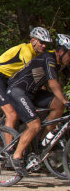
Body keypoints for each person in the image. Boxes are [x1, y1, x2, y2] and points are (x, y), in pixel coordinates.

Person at [5, 34, 70, 176]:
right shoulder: (49, 58)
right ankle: (16, 156)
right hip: (18, 91)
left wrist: (63, 102)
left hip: (32, 93)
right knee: (35, 124)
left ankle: (43, 141)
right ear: (61, 51)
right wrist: (66, 100)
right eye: (69, 54)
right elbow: (52, 83)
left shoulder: (62, 63)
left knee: (59, 105)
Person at [0, 27, 52, 142]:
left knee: (18, 112)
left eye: (46, 43)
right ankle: (9, 152)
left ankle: (5, 133)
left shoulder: (37, 55)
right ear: (33, 41)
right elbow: (33, 74)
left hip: (9, 81)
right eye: (41, 42)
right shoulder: (26, 50)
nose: (44, 45)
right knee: (12, 115)